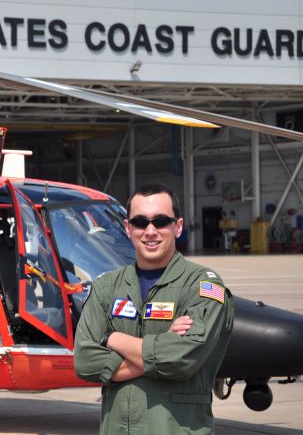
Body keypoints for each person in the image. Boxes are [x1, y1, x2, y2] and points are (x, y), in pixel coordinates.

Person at [74, 184, 234, 434]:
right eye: (140, 222)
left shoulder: (202, 286)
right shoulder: (107, 287)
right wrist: (164, 343)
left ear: (177, 226)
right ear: (128, 228)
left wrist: (112, 338)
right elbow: (84, 361)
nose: (150, 231)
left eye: (160, 221)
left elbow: (181, 359)